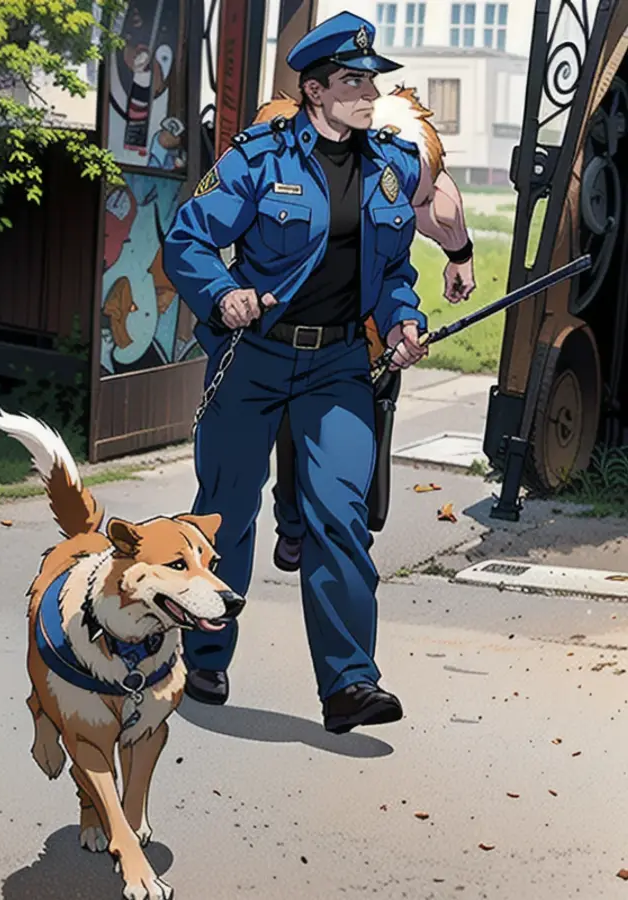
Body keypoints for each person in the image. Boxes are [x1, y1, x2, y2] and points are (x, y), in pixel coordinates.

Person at [163, 11, 434, 734]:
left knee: (340, 512)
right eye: (353, 81)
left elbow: (394, 271)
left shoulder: (390, 166)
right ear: (314, 91)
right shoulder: (258, 159)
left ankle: (349, 683)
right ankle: (205, 653)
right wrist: (226, 295)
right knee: (226, 508)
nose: (369, 92)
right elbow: (188, 239)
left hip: (339, 364)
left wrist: (404, 321)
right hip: (253, 357)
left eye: (372, 80)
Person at [269, 105, 476, 571]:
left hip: (367, 340)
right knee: (300, 426)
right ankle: (299, 523)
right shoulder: (292, 155)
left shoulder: (400, 159)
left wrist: (459, 253)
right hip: (303, 335)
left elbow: (435, 198)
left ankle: (342, 526)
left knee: (363, 426)